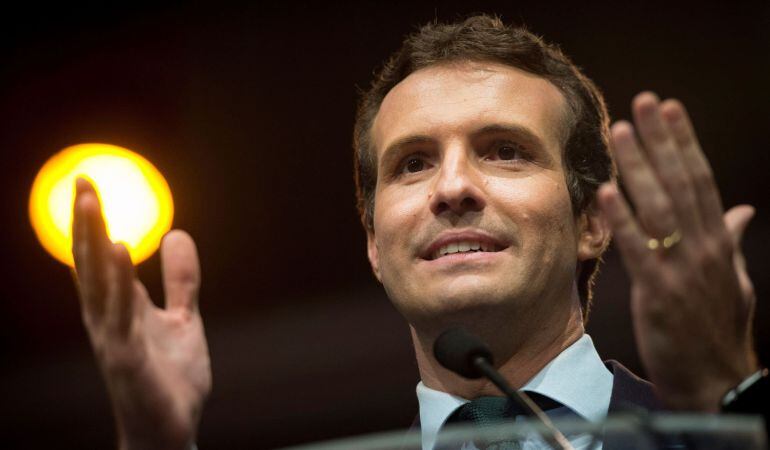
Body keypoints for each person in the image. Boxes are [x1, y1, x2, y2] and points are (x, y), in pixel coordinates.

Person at [70, 14, 762, 450]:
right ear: (375, 244)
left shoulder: (713, 425)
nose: (452, 188)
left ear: (592, 223)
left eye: (504, 150)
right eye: (413, 163)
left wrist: (723, 404)